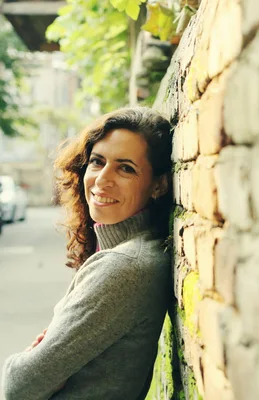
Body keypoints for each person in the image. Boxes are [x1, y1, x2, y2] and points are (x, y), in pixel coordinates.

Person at [2, 107, 174, 400]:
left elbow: (18, 386)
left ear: (158, 185)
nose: (102, 179)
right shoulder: (130, 250)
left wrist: (22, 363)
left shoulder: (124, 267)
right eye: (98, 161)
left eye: (126, 168)